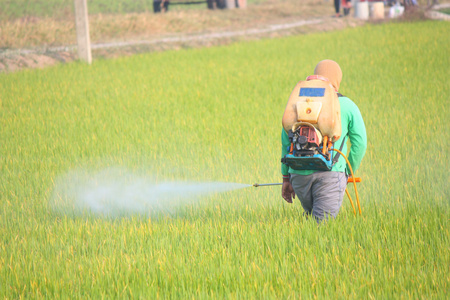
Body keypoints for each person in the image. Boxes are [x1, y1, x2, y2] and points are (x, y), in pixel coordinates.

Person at [281, 60, 367, 222]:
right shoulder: (348, 105)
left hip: (298, 176)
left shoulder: (299, 104)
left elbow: (286, 143)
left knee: (311, 219)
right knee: (322, 227)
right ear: (337, 81)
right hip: (331, 176)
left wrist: (286, 178)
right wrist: (348, 172)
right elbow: (360, 144)